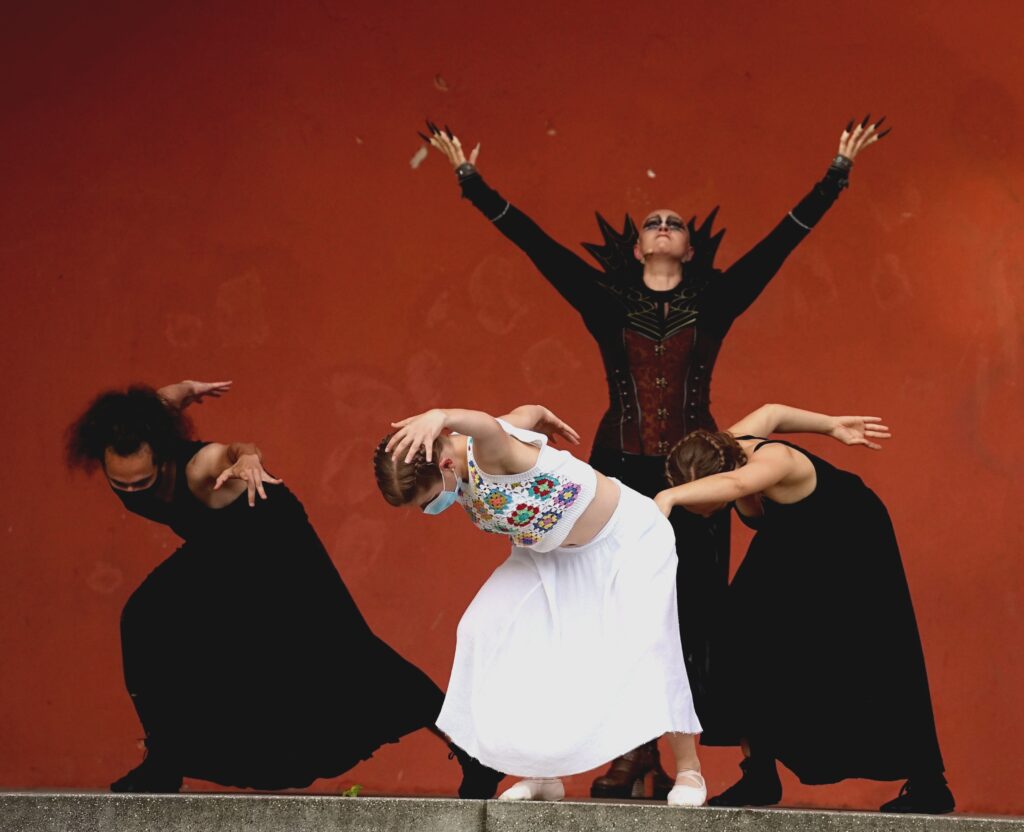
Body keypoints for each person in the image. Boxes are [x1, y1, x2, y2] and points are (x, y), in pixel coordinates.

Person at [421, 116, 889, 797]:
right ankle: (633, 755)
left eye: (675, 224)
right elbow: (539, 249)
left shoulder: (715, 300)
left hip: (698, 474)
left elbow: (776, 248)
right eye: (653, 222)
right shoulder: (606, 301)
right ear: (638, 246)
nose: (663, 226)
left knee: (696, 612)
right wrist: (471, 182)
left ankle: (726, 763)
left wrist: (835, 177)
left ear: (690, 249)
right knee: (610, 607)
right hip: (618, 473)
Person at [66, 380, 501, 797]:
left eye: (142, 483)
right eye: (121, 484)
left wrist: (247, 460)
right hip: (218, 549)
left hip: (273, 536)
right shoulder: (133, 429)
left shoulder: (201, 465)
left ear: (162, 457)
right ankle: (165, 759)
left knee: (351, 651)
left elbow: (236, 451)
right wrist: (183, 391)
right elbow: (158, 405)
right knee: (146, 620)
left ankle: (474, 753)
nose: (132, 490)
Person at [373, 403, 705, 806]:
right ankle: (541, 773)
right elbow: (524, 414)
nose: (429, 510)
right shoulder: (467, 462)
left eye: (427, 502)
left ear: (445, 464)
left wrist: (442, 415)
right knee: (484, 629)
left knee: (651, 645)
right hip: (548, 554)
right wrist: (539, 415)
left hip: (628, 539)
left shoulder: (489, 451)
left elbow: (485, 426)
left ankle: (689, 771)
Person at [653, 403, 954, 814]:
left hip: (852, 536)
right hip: (792, 538)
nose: (701, 510)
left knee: (877, 650)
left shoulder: (772, 461)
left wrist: (668, 497)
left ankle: (929, 783)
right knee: (736, 633)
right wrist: (830, 425)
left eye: (702, 500)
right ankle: (759, 774)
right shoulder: (724, 445)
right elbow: (772, 413)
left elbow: (739, 482)